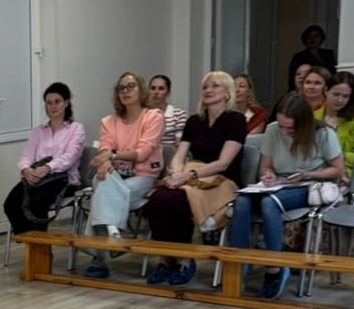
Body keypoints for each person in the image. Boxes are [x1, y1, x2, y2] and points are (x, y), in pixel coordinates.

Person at [227, 91, 344, 301]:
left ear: (304, 124)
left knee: (269, 203)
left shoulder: (324, 134)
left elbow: (338, 169)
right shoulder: (273, 130)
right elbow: (266, 166)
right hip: (280, 183)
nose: (285, 131)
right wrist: (268, 175)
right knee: (242, 202)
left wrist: (308, 174)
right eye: (281, 125)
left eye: (290, 127)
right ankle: (237, 265)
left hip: (309, 183)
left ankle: (275, 268)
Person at [143, 71, 246, 286]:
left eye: (215, 86)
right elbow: (180, 155)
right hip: (191, 176)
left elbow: (223, 163)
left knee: (175, 201)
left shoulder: (236, 120)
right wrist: (175, 171)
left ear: (227, 93)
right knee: (158, 199)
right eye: (205, 87)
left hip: (221, 179)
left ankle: (184, 259)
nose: (208, 90)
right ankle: (165, 259)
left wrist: (187, 175)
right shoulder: (194, 120)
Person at [83, 73, 164, 279]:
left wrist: (110, 156)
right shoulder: (108, 122)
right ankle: (114, 232)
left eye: (130, 86)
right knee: (102, 181)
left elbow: (142, 153)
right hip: (115, 176)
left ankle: (99, 257)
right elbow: (105, 148)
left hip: (143, 177)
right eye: (121, 88)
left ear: (141, 90)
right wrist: (106, 160)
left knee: (101, 190)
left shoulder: (153, 117)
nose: (125, 91)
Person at [4, 82, 85, 236]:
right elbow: (26, 156)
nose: (53, 106)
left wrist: (48, 168)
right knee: (11, 203)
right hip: (37, 178)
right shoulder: (38, 131)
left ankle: (39, 247)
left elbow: (70, 157)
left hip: (63, 180)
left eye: (57, 101)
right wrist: (25, 169)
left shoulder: (76, 129)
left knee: (37, 204)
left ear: (66, 103)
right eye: (49, 103)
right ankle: (30, 242)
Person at [319, 70, 354, 178]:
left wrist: (337, 157)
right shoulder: (313, 116)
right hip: (316, 172)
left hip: (345, 173)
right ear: (326, 90)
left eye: (345, 96)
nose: (340, 100)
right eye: (336, 94)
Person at [287, 25, 335, 89]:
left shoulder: (328, 54)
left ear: (321, 38)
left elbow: (333, 73)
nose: (312, 39)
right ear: (305, 39)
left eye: (315, 36)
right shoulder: (298, 57)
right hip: (307, 87)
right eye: (309, 37)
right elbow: (292, 78)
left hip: (327, 87)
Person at [147, 74, 187, 146]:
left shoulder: (179, 114)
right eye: (153, 88)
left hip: (170, 152)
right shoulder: (143, 113)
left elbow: (179, 145)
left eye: (161, 88)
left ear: (168, 93)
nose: (156, 92)